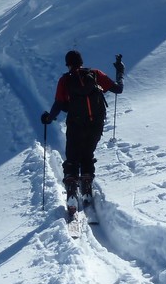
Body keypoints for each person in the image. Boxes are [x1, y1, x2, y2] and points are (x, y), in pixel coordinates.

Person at [41, 50, 123, 209]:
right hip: (96, 123)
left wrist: (48, 118)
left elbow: (58, 104)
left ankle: (72, 194)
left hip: (76, 124)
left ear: (68, 64)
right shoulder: (95, 74)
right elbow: (118, 89)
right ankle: (86, 187)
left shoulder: (65, 80)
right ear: (81, 61)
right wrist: (120, 71)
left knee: (72, 158)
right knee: (87, 154)